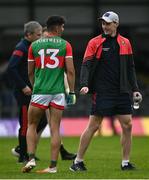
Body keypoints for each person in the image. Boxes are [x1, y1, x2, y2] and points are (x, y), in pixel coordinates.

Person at [70, 11, 142, 172]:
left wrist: (135, 89)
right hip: (102, 92)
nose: (105, 26)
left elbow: (130, 68)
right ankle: (77, 161)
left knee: (128, 125)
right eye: (103, 23)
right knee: (93, 126)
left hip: (122, 91)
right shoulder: (95, 42)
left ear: (116, 23)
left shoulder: (125, 43)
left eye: (108, 23)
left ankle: (125, 163)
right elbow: (86, 64)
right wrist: (84, 83)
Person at [8, 21, 75, 163]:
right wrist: (24, 86)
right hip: (26, 92)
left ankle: (27, 150)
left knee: (43, 121)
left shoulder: (34, 47)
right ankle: (23, 154)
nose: (40, 38)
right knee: (27, 124)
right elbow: (11, 68)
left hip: (37, 90)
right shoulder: (21, 48)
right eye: (38, 35)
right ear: (28, 35)